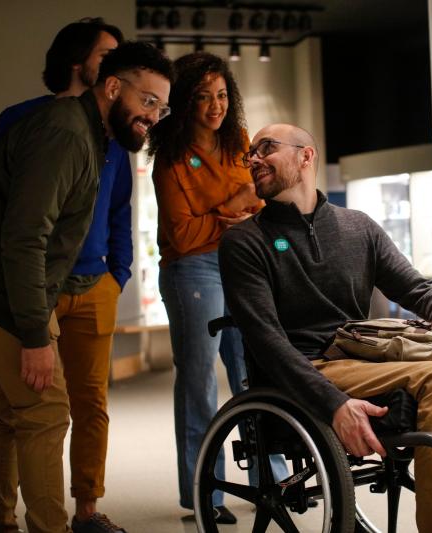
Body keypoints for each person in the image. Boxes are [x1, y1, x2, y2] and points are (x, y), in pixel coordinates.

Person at [218, 123, 432, 533]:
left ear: (305, 156)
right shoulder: (244, 242)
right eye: (250, 155)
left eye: (266, 148)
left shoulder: (358, 227)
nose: (254, 159)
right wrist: (332, 404)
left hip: (364, 358)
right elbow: (266, 341)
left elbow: (417, 290)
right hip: (311, 367)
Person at [0, 41, 174, 533]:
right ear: (112, 88)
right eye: (148, 101)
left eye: (162, 107)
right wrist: (34, 335)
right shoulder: (66, 133)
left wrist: (114, 275)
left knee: (8, 413)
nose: (154, 116)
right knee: (46, 412)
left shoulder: (91, 133)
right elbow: (25, 240)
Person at [0, 18, 133, 533]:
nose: (116, 66)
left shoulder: (114, 133)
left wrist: (119, 273)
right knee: (21, 411)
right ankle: (1, 521)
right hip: (31, 288)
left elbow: (119, 210)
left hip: (94, 288)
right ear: (76, 61)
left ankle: (87, 510)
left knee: (92, 406)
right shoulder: (25, 119)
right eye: (106, 54)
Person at [146, 51, 265, 524]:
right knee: (198, 381)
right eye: (202, 97)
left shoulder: (238, 140)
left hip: (243, 264)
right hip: (192, 272)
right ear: (183, 101)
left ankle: (269, 480)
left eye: (221, 96)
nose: (215, 106)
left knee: (251, 372)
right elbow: (183, 236)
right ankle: (204, 493)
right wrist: (231, 206)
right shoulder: (171, 160)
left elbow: (260, 195)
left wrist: (242, 207)